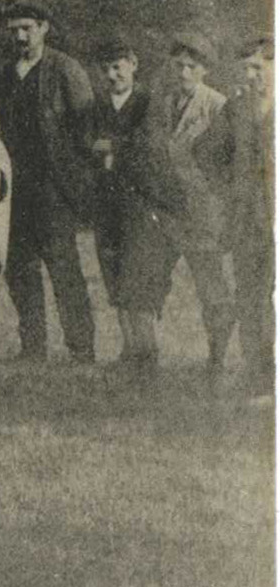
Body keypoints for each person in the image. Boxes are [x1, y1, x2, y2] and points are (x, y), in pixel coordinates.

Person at [111, 32, 235, 375]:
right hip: (164, 212)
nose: (182, 72)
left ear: (204, 70)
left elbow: (227, 166)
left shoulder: (217, 106)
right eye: (178, 64)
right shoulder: (159, 103)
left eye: (191, 66)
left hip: (201, 215)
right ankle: (145, 359)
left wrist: (218, 210)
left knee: (213, 292)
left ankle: (217, 359)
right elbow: (148, 152)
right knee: (141, 283)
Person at [0, 2, 98, 363]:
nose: (20, 36)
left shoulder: (65, 70)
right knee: (19, 271)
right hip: (14, 191)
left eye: (27, 28)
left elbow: (87, 130)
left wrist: (76, 183)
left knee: (64, 270)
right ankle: (32, 347)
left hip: (53, 191)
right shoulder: (4, 77)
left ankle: (82, 348)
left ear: (44, 28)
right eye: (14, 29)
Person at [205, 36, 274, 392]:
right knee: (249, 297)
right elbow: (207, 156)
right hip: (247, 221)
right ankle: (258, 376)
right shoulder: (235, 110)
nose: (250, 75)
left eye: (257, 68)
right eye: (245, 68)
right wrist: (230, 192)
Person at [86, 40, 150, 308]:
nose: (111, 75)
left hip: (138, 202)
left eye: (117, 67)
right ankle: (128, 345)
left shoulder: (148, 102)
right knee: (110, 270)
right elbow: (84, 142)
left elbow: (150, 145)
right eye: (105, 69)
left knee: (136, 275)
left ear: (133, 64)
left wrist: (115, 145)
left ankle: (145, 347)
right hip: (104, 201)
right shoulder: (95, 105)